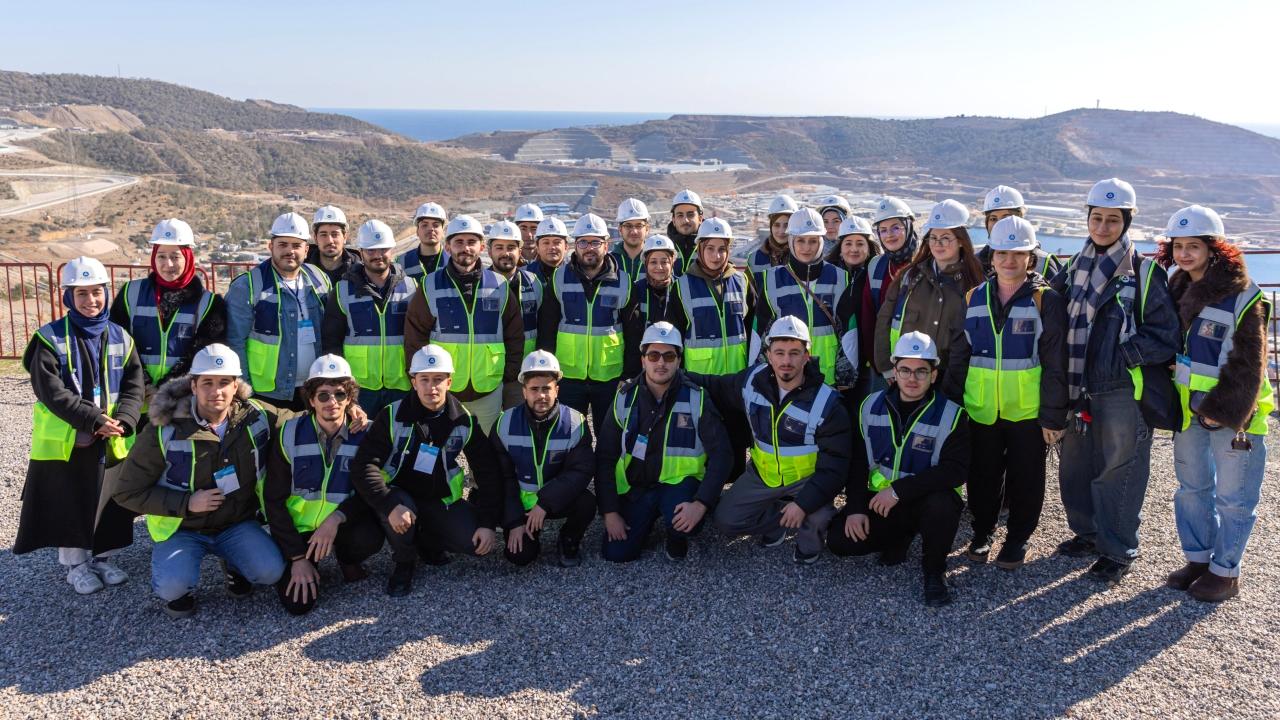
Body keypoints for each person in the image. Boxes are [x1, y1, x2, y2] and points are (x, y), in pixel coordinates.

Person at [1050, 178, 1180, 585]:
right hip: (1077, 385)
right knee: (1075, 466)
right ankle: (1087, 534)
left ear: (1126, 223)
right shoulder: (1072, 268)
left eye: (1112, 220)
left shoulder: (1143, 273)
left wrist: (1122, 358)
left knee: (1118, 470)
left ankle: (1117, 549)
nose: (1103, 227)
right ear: (1087, 219)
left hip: (1121, 388)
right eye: (1096, 218)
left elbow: (1164, 333)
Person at [110, 344, 286, 618]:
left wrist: (350, 413)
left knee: (271, 571)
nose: (216, 391)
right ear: (193, 386)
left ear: (236, 385)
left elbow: (302, 421)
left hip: (236, 523)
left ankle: (234, 564)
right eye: (207, 382)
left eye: (224, 382)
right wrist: (186, 503)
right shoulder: (163, 429)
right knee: (172, 587)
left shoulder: (256, 415)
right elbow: (127, 492)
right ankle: (181, 584)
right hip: (183, 529)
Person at [1160, 205, 1273, 602]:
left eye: (1194, 246)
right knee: (1192, 488)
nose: (1185, 254)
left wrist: (1219, 409)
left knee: (1233, 496)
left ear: (1214, 249)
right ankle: (1198, 559)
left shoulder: (1242, 295)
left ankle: (1226, 571)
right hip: (1188, 410)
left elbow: (1250, 362)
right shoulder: (1174, 289)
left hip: (1235, 414)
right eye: (1179, 246)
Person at [15, 257, 145, 594]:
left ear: (106, 292)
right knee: (71, 500)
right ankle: (76, 566)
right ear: (68, 298)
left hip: (111, 437)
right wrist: (93, 418)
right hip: (70, 439)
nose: (91, 301)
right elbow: (51, 392)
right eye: (82, 293)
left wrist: (126, 420)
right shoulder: (48, 338)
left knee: (107, 500)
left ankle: (103, 558)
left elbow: (134, 383)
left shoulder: (120, 336)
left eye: (97, 292)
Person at [949, 217, 1069, 569]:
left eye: (1018, 254)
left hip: (1028, 412)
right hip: (980, 408)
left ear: (1030, 257)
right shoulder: (973, 296)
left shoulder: (1046, 300)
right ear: (992, 255)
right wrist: (954, 406)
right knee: (982, 475)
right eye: (1003, 253)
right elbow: (960, 354)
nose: (1010, 261)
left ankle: (1018, 537)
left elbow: (1056, 363)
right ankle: (983, 532)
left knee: (1026, 477)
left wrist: (1053, 415)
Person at [687, 316, 851, 564]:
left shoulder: (827, 403)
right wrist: (672, 374)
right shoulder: (752, 381)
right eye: (780, 352)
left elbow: (835, 467)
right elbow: (715, 386)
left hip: (807, 480)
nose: (786, 361)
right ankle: (780, 518)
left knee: (816, 519)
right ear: (768, 354)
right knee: (726, 521)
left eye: (795, 353)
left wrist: (804, 504)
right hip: (763, 477)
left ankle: (809, 532)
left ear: (808, 355)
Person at [827, 331, 971, 606]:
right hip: (882, 502)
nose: (912, 378)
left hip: (925, 500)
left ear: (934, 375)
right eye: (905, 370)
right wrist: (856, 508)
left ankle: (934, 572)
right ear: (894, 372)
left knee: (942, 505)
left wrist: (898, 491)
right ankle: (898, 539)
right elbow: (857, 462)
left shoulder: (953, 415)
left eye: (921, 371)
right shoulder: (869, 407)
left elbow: (955, 471)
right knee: (838, 541)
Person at [352, 345, 502, 597]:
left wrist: (488, 523)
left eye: (438, 379)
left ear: (449, 382)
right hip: (397, 496)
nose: (431, 387)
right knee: (403, 513)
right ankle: (404, 562)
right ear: (413, 382)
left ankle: (428, 541)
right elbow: (363, 466)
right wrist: (388, 503)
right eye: (424, 379)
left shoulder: (464, 420)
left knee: (473, 543)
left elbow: (488, 471)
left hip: (437, 498)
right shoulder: (391, 415)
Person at [597, 324, 732, 562]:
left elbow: (723, 455)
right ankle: (646, 521)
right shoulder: (624, 397)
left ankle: (675, 534)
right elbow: (605, 456)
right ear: (643, 360)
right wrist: (610, 512)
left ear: (679, 360)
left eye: (669, 356)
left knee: (682, 524)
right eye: (654, 355)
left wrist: (700, 505)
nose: (661, 363)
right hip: (637, 487)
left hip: (679, 486)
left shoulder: (696, 397)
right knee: (617, 553)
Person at [264, 355, 384, 615]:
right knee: (298, 605)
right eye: (323, 395)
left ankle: (347, 558)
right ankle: (306, 560)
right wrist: (297, 557)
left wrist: (336, 519)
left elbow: (372, 490)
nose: (332, 402)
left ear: (350, 398)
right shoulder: (289, 433)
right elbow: (273, 499)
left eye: (340, 395)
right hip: (300, 531)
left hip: (343, 523)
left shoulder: (367, 433)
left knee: (370, 537)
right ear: (310, 400)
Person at [404, 214, 522, 433]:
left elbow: (514, 334)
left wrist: (508, 374)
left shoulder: (500, 286)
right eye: (459, 242)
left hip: (488, 388)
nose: (465, 248)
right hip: (444, 391)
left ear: (482, 247)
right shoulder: (430, 285)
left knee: (489, 453)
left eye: (471, 242)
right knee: (438, 451)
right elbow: (415, 335)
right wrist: (421, 378)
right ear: (447, 246)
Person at [492, 351, 596, 567]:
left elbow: (580, 471)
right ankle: (524, 532)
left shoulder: (575, 423)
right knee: (519, 557)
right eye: (534, 389)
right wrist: (515, 520)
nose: (541, 395)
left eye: (546, 388)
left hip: (553, 501)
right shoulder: (504, 423)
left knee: (586, 502)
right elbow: (502, 477)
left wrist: (545, 503)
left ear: (557, 390)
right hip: (520, 503)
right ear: (524, 391)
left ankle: (568, 539)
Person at [873, 199, 984, 399]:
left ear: (960, 240)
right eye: (933, 238)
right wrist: (887, 367)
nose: (938, 244)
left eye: (945, 238)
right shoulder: (910, 276)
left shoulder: (974, 284)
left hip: (950, 376)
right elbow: (884, 320)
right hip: (908, 374)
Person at [110, 218, 225, 405]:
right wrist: (143, 383)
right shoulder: (130, 294)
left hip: (183, 399)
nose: (168, 264)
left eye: (175, 256)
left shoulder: (209, 303)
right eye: (161, 256)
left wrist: (168, 389)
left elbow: (204, 353)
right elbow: (118, 341)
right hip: (135, 396)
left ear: (188, 257)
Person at [537, 213, 631, 438]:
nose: (589, 248)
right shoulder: (559, 278)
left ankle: (604, 474)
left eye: (595, 242)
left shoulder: (624, 281)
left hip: (609, 376)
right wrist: (549, 370)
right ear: (575, 245)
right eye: (583, 242)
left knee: (609, 435)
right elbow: (548, 328)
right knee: (570, 434)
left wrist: (629, 374)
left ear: (606, 245)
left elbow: (632, 331)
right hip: (569, 375)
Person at [676, 216, 756, 483]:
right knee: (705, 435)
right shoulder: (683, 285)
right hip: (701, 378)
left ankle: (731, 484)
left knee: (736, 436)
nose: (716, 254)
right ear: (700, 249)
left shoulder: (741, 282)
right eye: (710, 248)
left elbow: (751, 326)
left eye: (722, 248)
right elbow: (677, 333)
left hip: (736, 376)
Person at [225, 212, 331, 410]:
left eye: (296, 245)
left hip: (315, 388)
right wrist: (244, 393)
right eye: (283, 244)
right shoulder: (247, 286)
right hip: (268, 395)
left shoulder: (319, 279)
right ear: (270, 246)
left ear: (307, 250)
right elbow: (235, 342)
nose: (289, 251)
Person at [322, 219, 416, 416]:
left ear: (392, 250)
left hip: (401, 385)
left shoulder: (412, 288)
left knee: (399, 440)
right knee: (361, 442)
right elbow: (332, 342)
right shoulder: (342, 291)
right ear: (361, 252)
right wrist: (341, 387)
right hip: (359, 389)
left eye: (383, 250)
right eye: (370, 251)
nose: (377, 256)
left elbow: (419, 337)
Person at [756, 207, 849, 386]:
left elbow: (848, 333)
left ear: (821, 242)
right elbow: (759, 332)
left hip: (828, 378)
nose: (806, 248)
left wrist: (845, 376)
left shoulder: (840, 278)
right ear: (791, 241)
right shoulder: (772, 279)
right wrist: (762, 376)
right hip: (786, 379)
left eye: (813, 241)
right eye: (800, 241)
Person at [486, 220, 543, 409]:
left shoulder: (533, 283)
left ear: (520, 252)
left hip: (523, 372)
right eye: (499, 247)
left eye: (511, 247)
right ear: (489, 251)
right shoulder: (480, 284)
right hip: (488, 373)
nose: (505, 253)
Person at [830, 214, 881, 415]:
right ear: (840, 248)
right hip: (837, 357)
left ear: (869, 249)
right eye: (848, 243)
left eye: (860, 243)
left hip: (867, 359)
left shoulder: (875, 276)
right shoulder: (829, 275)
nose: (854, 249)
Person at [620, 234, 686, 377]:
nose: (659, 267)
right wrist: (629, 375)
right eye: (653, 262)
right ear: (646, 263)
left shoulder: (682, 289)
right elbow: (630, 335)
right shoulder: (635, 290)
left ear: (672, 262)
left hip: (674, 365)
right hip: (642, 367)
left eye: (664, 262)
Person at [974, 186, 1063, 279]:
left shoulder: (1043, 263)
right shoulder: (974, 263)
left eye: (1006, 217)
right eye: (993, 218)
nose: (999, 224)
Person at [865, 196, 919, 312]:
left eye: (895, 228)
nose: (889, 234)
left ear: (908, 227)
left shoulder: (925, 263)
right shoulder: (875, 265)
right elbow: (868, 313)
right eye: (883, 230)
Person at [747, 194, 798, 292]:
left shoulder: (802, 256)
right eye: (777, 225)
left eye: (786, 225)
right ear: (771, 226)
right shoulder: (754, 259)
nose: (781, 231)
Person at [306, 205, 361, 286]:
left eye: (335, 234)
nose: (330, 241)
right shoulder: (302, 269)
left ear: (345, 237)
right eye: (324, 235)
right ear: (315, 238)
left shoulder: (359, 271)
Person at [398, 202, 451, 282]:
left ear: (443, 231)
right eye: (425, 225)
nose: (431, 229)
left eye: (436, 225)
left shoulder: (453, 260)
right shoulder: (401, 262)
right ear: (417, 231)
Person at [610, 197, 650, 282]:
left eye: (639, 225)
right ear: (620, 229)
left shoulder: (657, 260)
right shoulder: (609, 262)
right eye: (628, 226)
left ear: (647, 229)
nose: (634, 231)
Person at [665, 188, 704, 270]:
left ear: (700, 218)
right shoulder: (664, 248)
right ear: (673, 220)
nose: (685, 220)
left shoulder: (709, 248)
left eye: (690, 215)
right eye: (680, 215)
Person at [526, 216, 570, 282]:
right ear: (537, 247)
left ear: (566, 247)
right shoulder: (524, 275)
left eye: (557, 242)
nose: (551, 247)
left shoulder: (578, 273)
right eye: (546, 242)